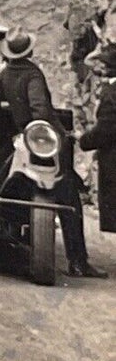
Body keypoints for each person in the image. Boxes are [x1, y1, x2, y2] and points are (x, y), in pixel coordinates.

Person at [0, 29, 106, 279]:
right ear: (30, 51)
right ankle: (78, 262)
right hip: (43, 141)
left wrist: (6, 117)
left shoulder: (7, 75)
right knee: (69, 195)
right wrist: (54, 132)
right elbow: (40, 109)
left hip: (21, 139)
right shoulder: (32, 74)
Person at [78, 44, 116, 235]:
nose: (98, 67)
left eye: (103, 64)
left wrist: (83, 140)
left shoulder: (111, 94)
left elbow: (106, 129)